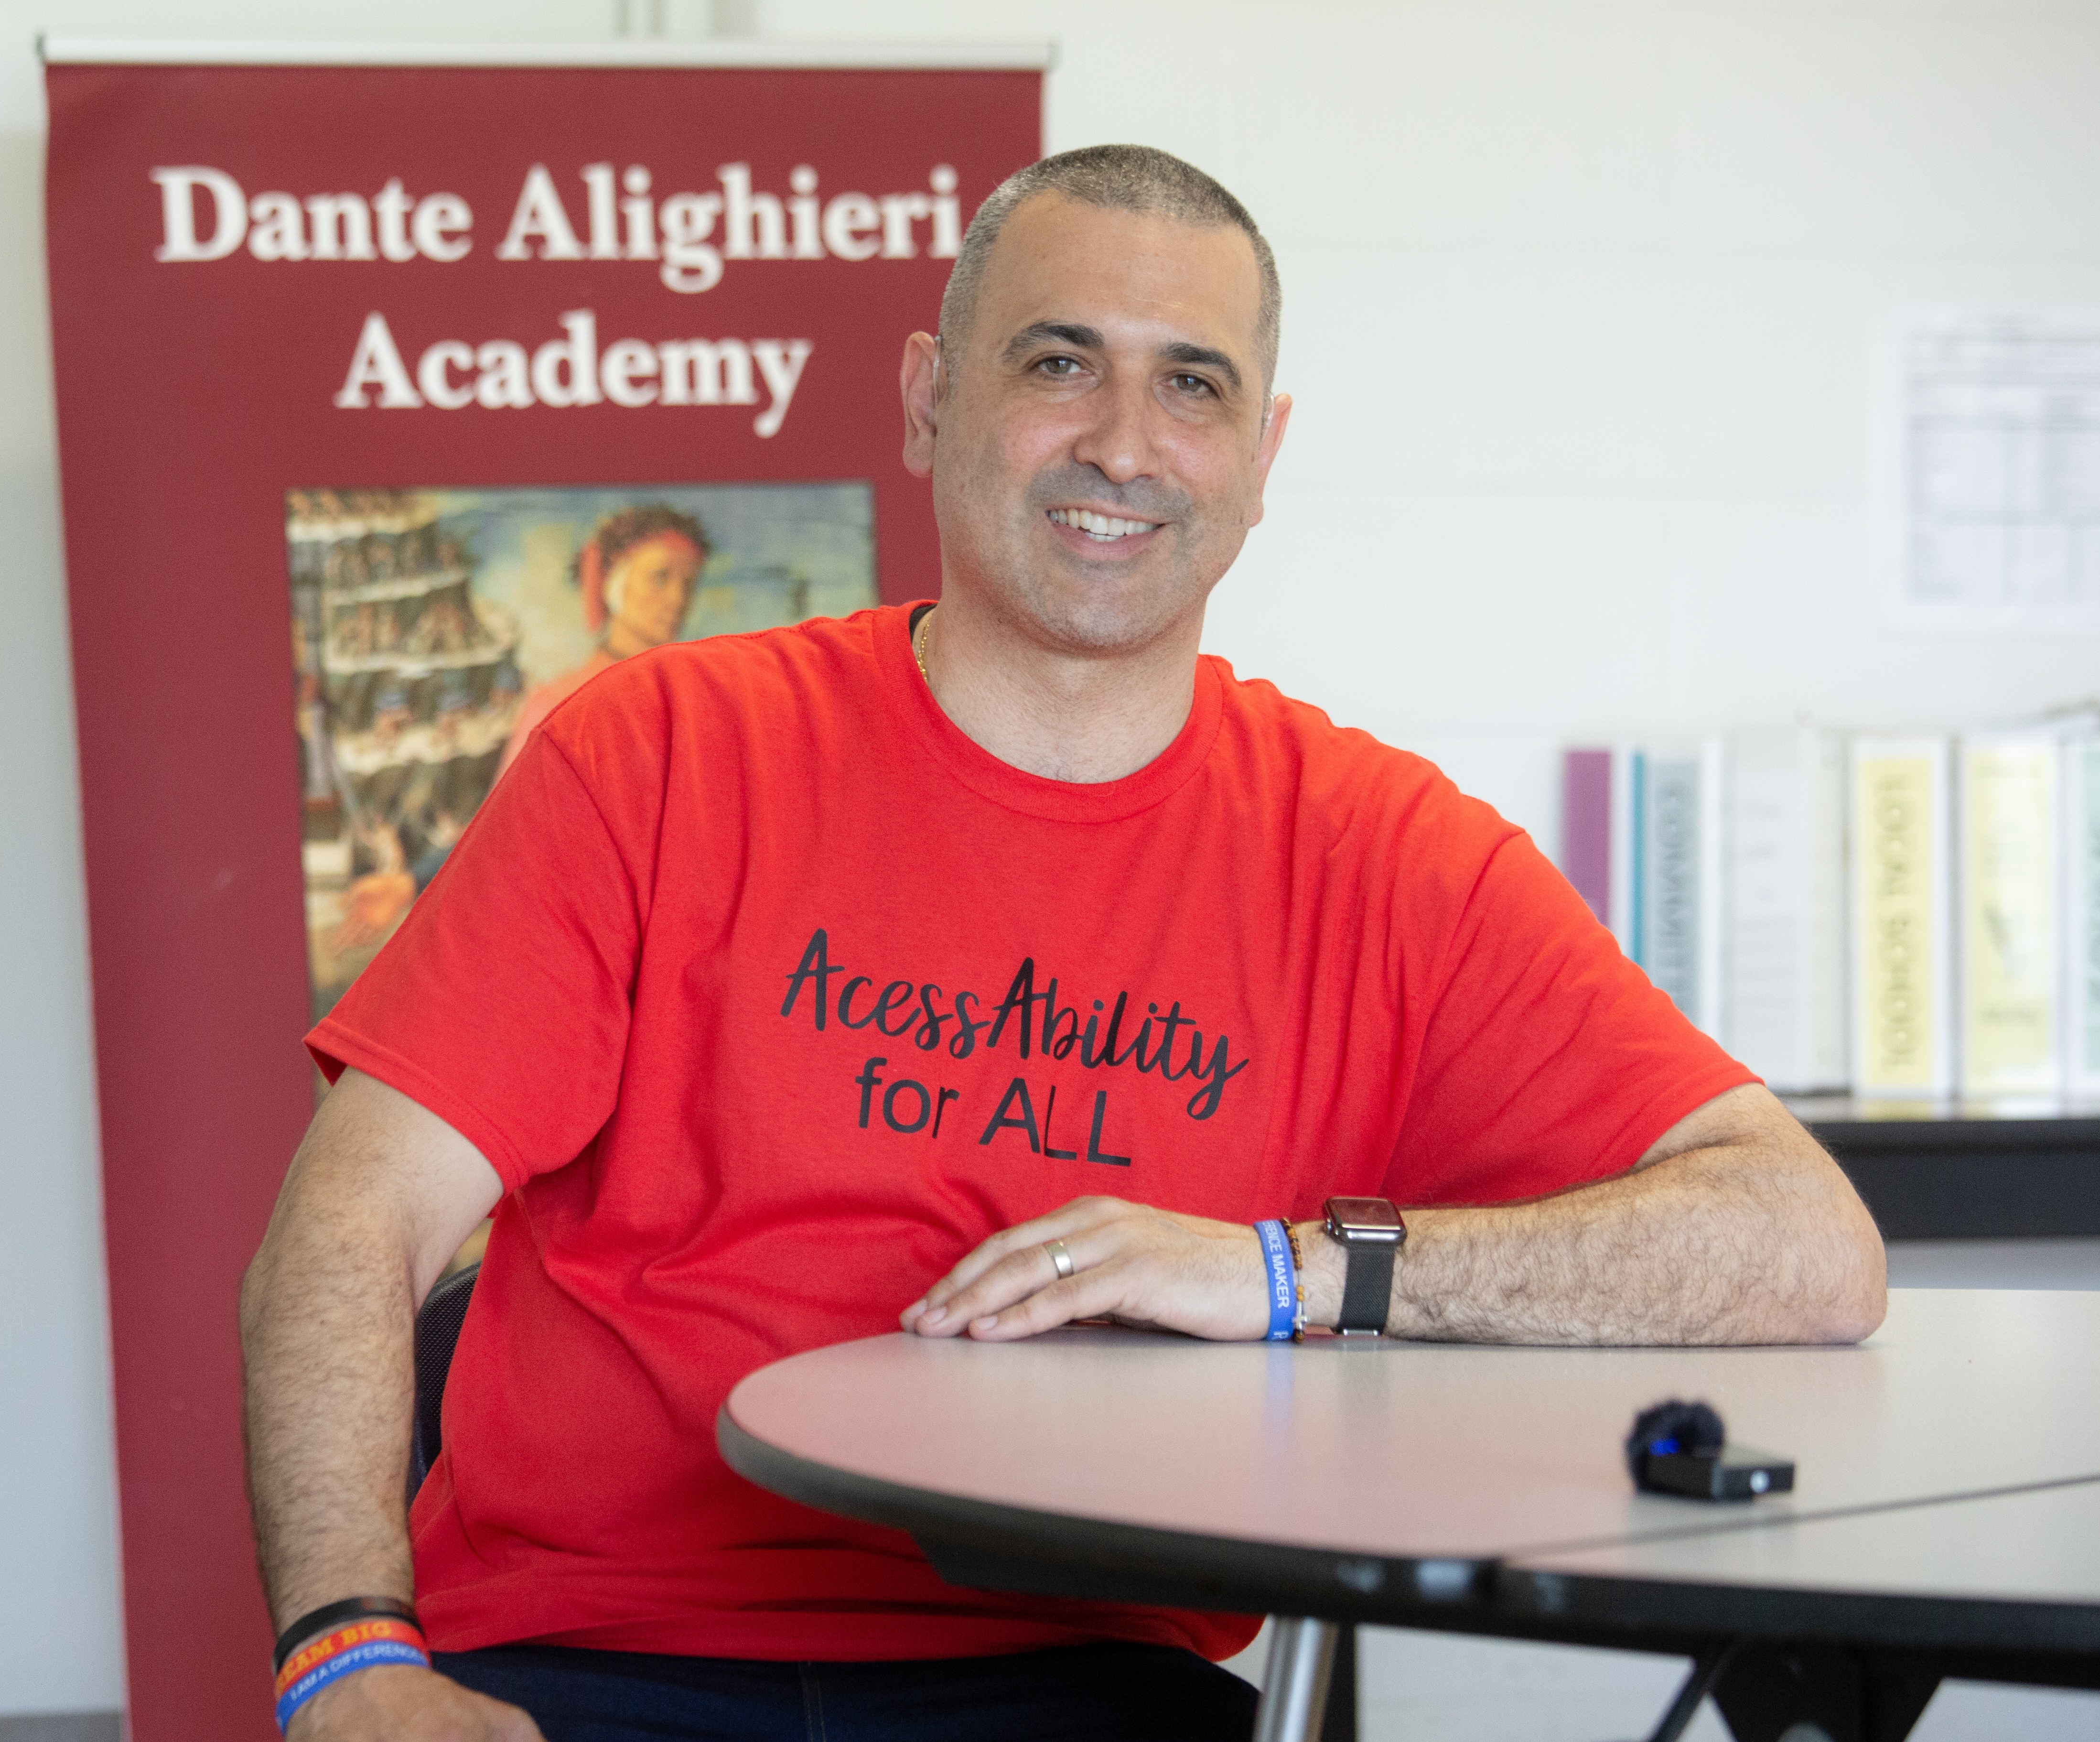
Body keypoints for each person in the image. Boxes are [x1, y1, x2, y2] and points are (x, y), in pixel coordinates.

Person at [240, 145, 1886, 1742]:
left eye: (1192, 385)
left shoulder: (1381, 855)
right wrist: (343, 1656)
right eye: (1056, 362)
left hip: (1075, 1671)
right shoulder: (659, 751)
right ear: (925, 397)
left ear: (1262, 453)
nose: (1121, 442)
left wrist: (1294, 1274)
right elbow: (352, 1216)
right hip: (590, 1648)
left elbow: (1802, 1243)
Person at [494, 504, 711, 779]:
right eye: (660, 577)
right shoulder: (558, 704)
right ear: (614, 585)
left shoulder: (692, 702)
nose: (678, 600)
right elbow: (517, 816)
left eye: (689, 585)